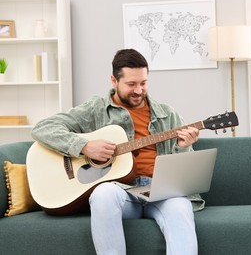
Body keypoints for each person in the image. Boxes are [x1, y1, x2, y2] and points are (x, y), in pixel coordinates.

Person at [31, 48, 200, 255]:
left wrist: (183, 148)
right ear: (114, 80)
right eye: (131, 84)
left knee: (180, 207)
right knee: (102, 194)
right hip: (121, 191)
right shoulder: (96, 109)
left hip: (160, 192)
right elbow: (43, 128)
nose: (138, 90)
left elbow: (184, 175)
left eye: (143, 83)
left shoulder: (168, 115)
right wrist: (84, 146)